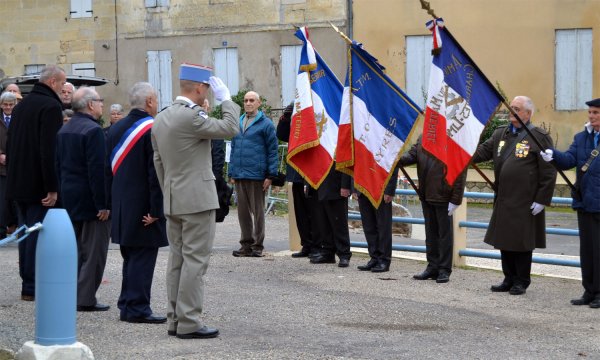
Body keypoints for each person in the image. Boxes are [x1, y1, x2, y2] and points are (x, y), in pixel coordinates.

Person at [151, 63, 240, 339]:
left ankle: (175, 319)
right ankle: (189, 321)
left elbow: (158, 162)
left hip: (175, 198)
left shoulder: (162, 117)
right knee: (195, 262)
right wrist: (226, 99)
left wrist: (170, 190)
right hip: (197, 200)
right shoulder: (191, 117)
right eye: (207, 90)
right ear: (200, 88)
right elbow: (230, 128)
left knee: (177, 261)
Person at [472, 96, 556, 295]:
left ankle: (521, 281)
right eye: (511, 107)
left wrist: (542, 199)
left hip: (525, 199)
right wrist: (461, 151)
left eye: (517, 108)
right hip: (504, 198)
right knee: (504, 240)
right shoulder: (501, 134)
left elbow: (549, 170)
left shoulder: (538, 136)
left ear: (528, 113)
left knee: (522, 242)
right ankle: (508, 278)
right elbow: (482, 152)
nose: (512, 111)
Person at [106, 82, 168, 323]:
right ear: (150, 101)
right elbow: (154, 173)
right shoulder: (151, 128)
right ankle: (137, 308)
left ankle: (127, 303)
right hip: (143, 208)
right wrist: (156, 210)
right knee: (142, 259)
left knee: (130, 258)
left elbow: (107, 170)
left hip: (122, 204)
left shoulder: (114, 128)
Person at [6, 65, 65, 301]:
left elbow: (11, 145)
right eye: (62, 84)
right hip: (38, 184)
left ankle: (27, 284)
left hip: (19, 181)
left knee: (25, 233)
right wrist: (52, 187)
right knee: (35, 234)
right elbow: (49, 150)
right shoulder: (50, 107)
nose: (63, 88)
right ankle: (32, 286)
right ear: (52, 82)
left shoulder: (22, 107)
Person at [540, 97, 600, 308]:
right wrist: (553, 155)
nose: (592, 116)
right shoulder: (581, 137)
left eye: (596, 113)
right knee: (587, 250)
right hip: (584, 201)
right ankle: (589, 291)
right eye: (590, 113)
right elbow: (568, 160)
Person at [56, 87, 111, 312]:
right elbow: (97, 171)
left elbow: (58, 166)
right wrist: (103, 204)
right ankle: (85, 298)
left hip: (69, 196)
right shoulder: (93, 131)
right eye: (99, 101)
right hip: (90, 199)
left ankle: (73, 294)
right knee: (94, 252)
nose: (102, 105)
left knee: (76, 250)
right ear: (90, 105)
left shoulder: (65, 129)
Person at [399, 138, 467, 282]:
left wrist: (456, 198)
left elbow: (460, 168)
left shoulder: (453, 137)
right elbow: (412, 156)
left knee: (444, 235)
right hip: (426, 194)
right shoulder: (424, 137)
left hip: (443, 194)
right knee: (430, 235)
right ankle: (432, 266)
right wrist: (395, 157)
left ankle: (444, 269)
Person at [228, 91, 279, 257]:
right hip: (240, 174)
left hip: (257, 175)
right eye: (246, 100)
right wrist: (232, 172)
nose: (248, 103)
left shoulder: (266, 124)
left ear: (258, 103)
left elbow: (273, 151)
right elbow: (234, 149)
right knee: (242, 213)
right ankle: (246, 245)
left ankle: (258, 246)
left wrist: (270, 175)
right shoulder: (238, 121)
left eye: (251, 100)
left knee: (258, 213)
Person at [275, 102, 319, 258]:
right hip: (295, 169)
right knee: (300, 212)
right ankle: (306, 244)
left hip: (311, 169)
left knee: (313, 211)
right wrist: (286, 117)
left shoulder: (315, 104)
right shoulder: (297, 104)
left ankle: (317, 245)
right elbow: (281, 135)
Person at [352, 167, 399, 273]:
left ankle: (384, 260)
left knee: (383, 227)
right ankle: (374, 257)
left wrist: (390, 190)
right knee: (369, 226)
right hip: (363, 186)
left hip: (381, 188)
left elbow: (392, 163)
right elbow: (357, 163)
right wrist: (355, 187)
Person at [309, 167, 353, 267]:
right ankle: (328, 252)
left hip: (337, 183)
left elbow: (346, 163)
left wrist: (345, 185)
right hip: (321, 182)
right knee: (323, 222)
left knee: (339, 223)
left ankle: (344, 254)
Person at [0, 92, 16, 238]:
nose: (8, 107)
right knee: (2, 199)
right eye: (5, 104)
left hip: (16, 165)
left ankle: (15, 226)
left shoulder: (18, 119)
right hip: (2, 167)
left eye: (11, 105)